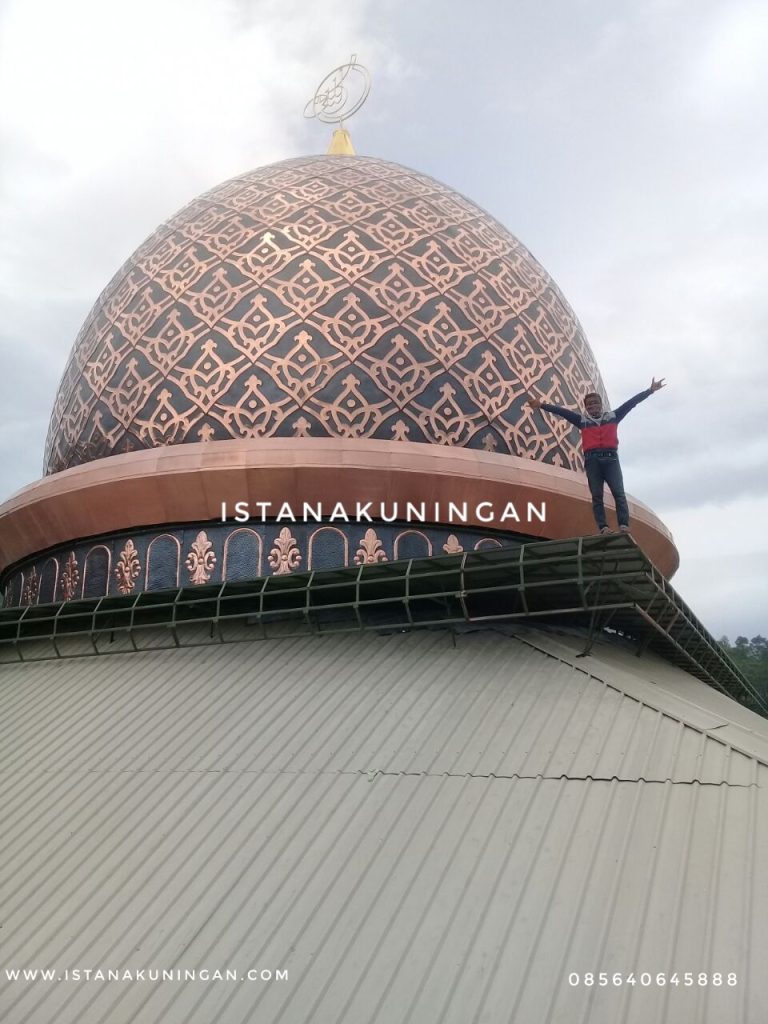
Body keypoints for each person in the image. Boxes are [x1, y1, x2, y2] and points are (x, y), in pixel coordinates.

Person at [527, 378, 666, 534]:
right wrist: (541, 405)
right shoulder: (582, 421)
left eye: (595, 403)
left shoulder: (613, 417)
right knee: (597, 496)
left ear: (601, 405)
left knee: (618, 493)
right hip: (593, 461)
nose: (593, 407)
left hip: (611, 460)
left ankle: (624, 525)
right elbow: (562, 412)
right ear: (586, 408)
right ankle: (603, 527)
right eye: (589, 405)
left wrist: (650, 390)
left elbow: (631, 403)